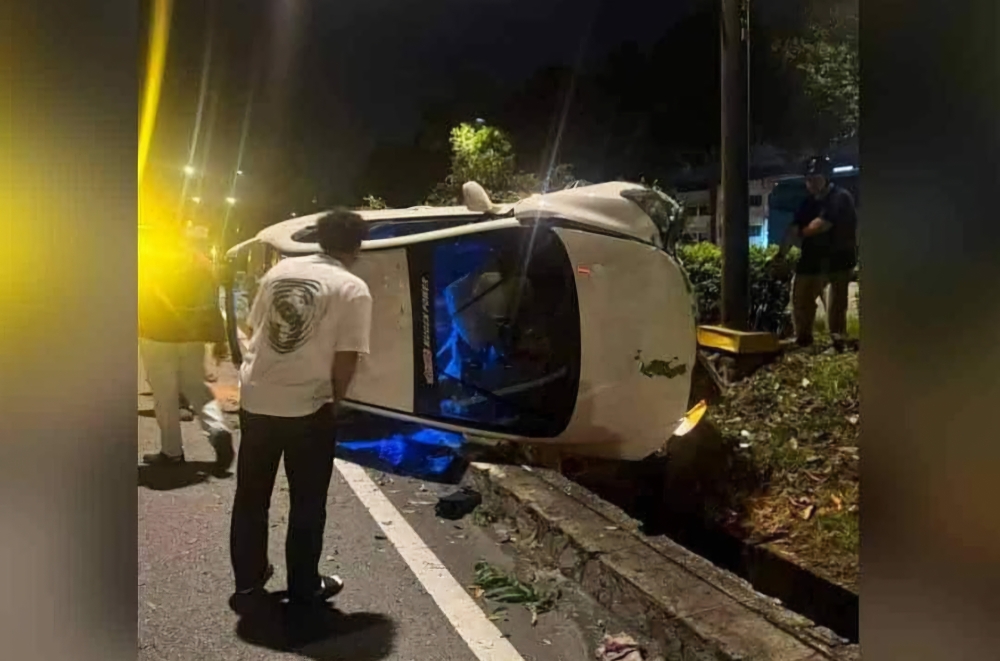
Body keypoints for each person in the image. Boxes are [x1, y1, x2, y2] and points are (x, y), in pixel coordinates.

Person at [230, 209, 372, 605]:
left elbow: (253, 327)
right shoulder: (352, 287)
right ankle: (304, 584)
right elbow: (347, 357)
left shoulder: (279, 272)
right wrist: (339, 402)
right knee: (307, 499)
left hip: (256, 398)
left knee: (251, 495)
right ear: (356, 248)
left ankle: (248, 581)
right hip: (308, 407)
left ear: (318, 239)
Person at [138, 221, 235, 468]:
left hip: (156, 335)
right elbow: (213, 303)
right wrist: (219, 339)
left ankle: (172, 452)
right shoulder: (200, 262)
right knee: (196, 387)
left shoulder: (148, 260)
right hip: (192, 336)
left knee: (165, 395)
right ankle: (217, 428)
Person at [774, 155, 858, 351]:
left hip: (838, 260)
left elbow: (821, 225)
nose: (811, 182)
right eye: (808, 178)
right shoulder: (808, 203)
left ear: (826, 177)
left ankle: (837, 341)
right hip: (812, 259)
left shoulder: (840, 197)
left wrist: (802, 233)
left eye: (816, 178)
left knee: (835, 303)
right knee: (800, 295)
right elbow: (793, 228)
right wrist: (781, 255)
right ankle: (803, 339)